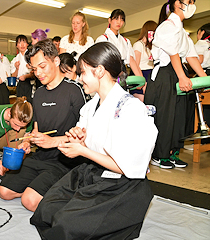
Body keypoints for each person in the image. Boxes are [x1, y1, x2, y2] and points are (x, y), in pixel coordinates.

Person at [30, 42, 158, 240]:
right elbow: (86, 138)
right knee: (45, 211)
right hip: (93, 172)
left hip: (122, 185)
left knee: (65, 227)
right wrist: (78, 138)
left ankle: (122, 219)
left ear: (99, 71)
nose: (80, 79)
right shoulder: (90, 107)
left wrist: (82, 151)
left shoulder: (133, 109)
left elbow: (126, 168)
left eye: (82, 73)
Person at [0, 39, 87, 212]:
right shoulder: (38, 94)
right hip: (41, 157)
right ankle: (45, 190)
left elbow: (86, 134)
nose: (38, 73)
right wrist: (28, 142)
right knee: (4, 191)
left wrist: (52, 142)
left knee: (29, 201)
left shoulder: (74, 91)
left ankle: (62, 191)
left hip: (65, 160)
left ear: (56, 61)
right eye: (34, 69)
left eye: (42, 66)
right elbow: (37, 129)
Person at [145, 0, 206, 169]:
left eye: (193, 1)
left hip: (179, 73)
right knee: (166, 116)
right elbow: (173, 54)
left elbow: (191, 56)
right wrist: (182, 76)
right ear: (176, 3)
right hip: (165, 75)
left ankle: (173, 152)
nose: (191, 4)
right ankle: (160, 155)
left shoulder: (183, 32)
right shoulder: (167, 26)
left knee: (180, 116)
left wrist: (204, 79)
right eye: (188, 1)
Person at [96, 9, 143, 77]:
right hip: (108, 71)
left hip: (122, 71)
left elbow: (131, 60)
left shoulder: (126, 41)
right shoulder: (103, 39)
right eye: (116, 19)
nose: (119, 22)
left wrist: (141, 78)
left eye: (122, 19)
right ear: (110, 20)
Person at [132, 20, 158, 101]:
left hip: (151, 76)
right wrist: (142, 82)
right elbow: (136, 64)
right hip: (142, 75)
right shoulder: (138, 45)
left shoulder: (150, 47)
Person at [194, 23, 210, 144]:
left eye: (198, 32)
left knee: (200, 106)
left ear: (202, 32)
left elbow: (199, 60)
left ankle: (200, 138)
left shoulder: (201, 43)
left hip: (203, 74)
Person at [11, 35, 33, 103]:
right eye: (20, 42)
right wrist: (17, 68)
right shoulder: (15, 59)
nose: (22, 45)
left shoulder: (32, 56)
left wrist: (26, 76)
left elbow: (37, 72)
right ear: (17, 45)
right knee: (20, 105)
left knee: (31, 105)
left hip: (31, 83)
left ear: (27, 44)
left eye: (24, 42)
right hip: (20, 84)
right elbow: (13, 76)